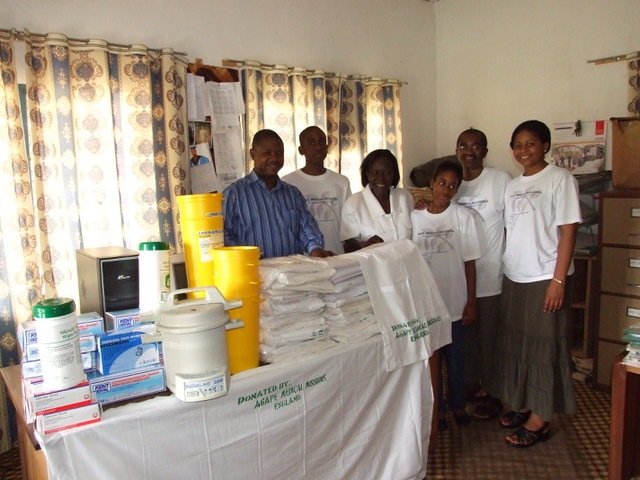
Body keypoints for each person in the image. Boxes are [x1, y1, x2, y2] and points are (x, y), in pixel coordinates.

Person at [494, 120, 580, 448]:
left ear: (545, 145)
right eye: (517, 145)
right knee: (520, 346)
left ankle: (541, 418)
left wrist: (558, 280)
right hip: (515, 275)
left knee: (545, 348)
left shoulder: (560, 179)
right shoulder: (512, 185)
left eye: (530, 143)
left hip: (545, 276)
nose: (523, 150)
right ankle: (525, 404)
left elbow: (569, 232)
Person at [411, 160, 480, 431]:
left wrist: (471, 302)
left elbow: (470, 262)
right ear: (431, 183)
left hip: (455, 302)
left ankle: (458, 404)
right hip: (427, 304)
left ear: (457, 189)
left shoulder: (463, 218)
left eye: (453, 185)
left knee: (456, 360)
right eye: (442, 183)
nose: (446, 189)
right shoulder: (415, 218)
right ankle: (437, 409)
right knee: (433, 361)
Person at [453, 128, 511, 420]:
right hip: (460, 280)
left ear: (485, 151)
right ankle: (473, 387)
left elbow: (514, 224)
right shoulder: (452, 184)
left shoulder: (500, 180)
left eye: (476, 146)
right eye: (463, 146)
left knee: (491, 341)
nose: (469, 151)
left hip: (491, 276)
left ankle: (494, 395)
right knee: (468, 342)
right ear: (457, 150)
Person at [223, 129, 334, 259]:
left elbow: (306, 228)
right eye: (267, 153)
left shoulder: (293, 194)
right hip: (254, 269)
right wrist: (245, 257)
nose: (274, 158)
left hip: (293, 269)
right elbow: (223, 234)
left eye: (279, 153)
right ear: (252, 154)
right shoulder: (234, 194)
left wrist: (315, 249)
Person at [282, 126, 352, 254]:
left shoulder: (341, 181)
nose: (318, 147)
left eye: (321, 142)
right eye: (311, 143)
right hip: (303, 259)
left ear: (327, 147)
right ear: (301, 150)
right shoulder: (288, 183)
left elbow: (348, 223)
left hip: (337, 256)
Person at [340, 149, 414, 253]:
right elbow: (348, 245)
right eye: (375, 173)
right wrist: (364, 245)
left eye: (386, 172)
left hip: (407, 261)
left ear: (394, 174)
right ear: (367, 174)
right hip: (373, 262)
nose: (381, 178)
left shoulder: (405, 197)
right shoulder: (353, 203)